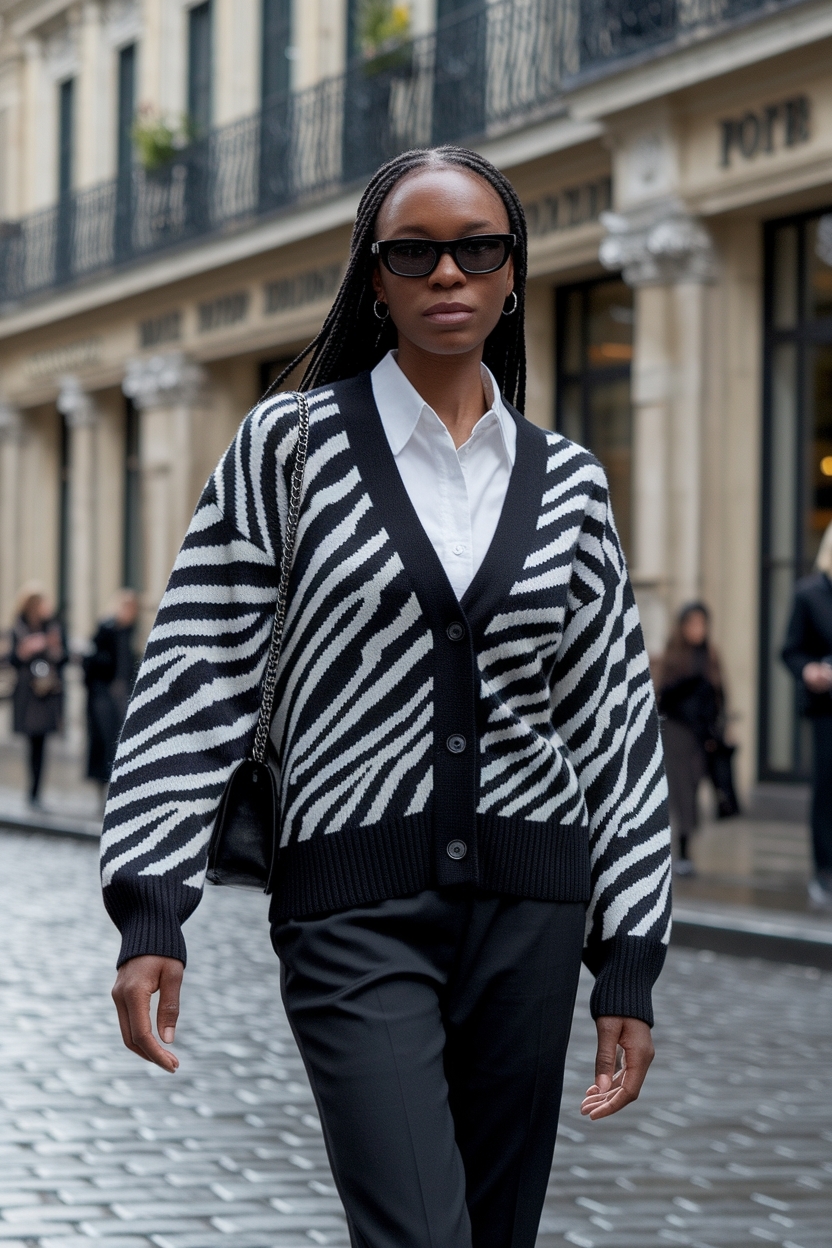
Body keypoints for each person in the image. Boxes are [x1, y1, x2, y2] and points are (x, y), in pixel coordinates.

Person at [102, 146, 672, 1248]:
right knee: (416, 1228)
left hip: (532, 906)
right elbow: (198, 668)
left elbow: (611, 726)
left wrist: (629, 961)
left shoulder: (569, 481)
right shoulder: (289, 447)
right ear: (374, 277)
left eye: (478, 249)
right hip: (348, 907)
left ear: (513, 271)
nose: (447, 272)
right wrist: (152, 904)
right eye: (413, 252)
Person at [657, 602, 733, 876]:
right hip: (677, 731)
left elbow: (720, 694)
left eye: (702, 623)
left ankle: (686, 843)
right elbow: (663, 695)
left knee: (695, 782)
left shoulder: (710, 655)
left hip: (702, 732)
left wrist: (721, 726)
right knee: (682, 789)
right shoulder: (674, 655)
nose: (697, 629)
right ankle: (683, 849)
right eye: (693, 623)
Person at [782, 520, 832, 909]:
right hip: (825, 709)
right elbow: (790, 650)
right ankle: (824, 870)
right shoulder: (809, 594)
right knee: (827, 789)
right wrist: (809, 671)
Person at [9, 582, 67, 807]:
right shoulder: (18, 627)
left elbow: (63, 657)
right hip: (28, 693)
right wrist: (24, 650)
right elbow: (11, 659)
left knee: (42, 742)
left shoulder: (53, 627)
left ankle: (36, 791)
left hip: (47, 692)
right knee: (32, 742)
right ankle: (32, 790)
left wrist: (54, 647)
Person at [84, 589, 140, 800]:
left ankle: (118, 788)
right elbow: (91, 663)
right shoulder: (106, 629)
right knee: (106, 741)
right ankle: (104, 789)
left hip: (123, 693)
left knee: (122, 741)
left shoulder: (131, 632)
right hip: (104, 695)